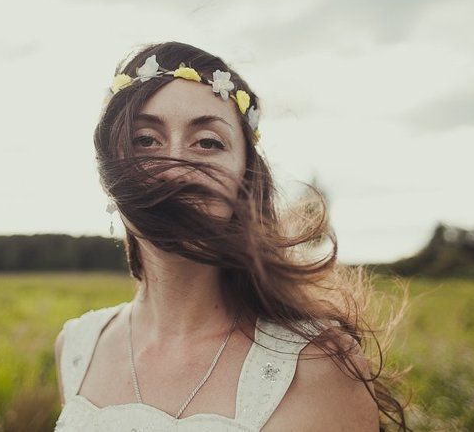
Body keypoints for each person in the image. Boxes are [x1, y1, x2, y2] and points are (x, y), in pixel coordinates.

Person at [53, 41, 409, 431]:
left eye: (207, 143)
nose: (176, 171)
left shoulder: (316, 368)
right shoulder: (76, 349)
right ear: (110, 173)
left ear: (244, 179)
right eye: (145, 141)